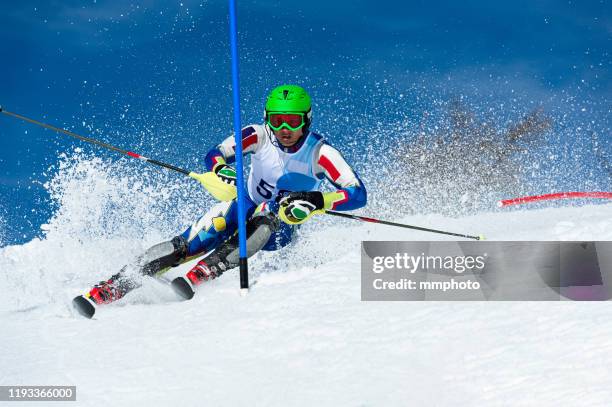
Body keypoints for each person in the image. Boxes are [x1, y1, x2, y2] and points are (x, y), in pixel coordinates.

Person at [73, 84, 367, 317]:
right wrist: (221, 169)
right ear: (268, 119)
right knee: (199, 236)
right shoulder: (258, 135)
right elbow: (216, 153)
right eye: (277, 121)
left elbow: (357, 194)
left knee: (270, 210)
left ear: (307, 120)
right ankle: (116, 283)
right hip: (245, 204)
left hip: (281, 226)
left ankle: (209, 268)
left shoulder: (320, 152)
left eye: (292, 121)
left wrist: (318, 200)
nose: (285, 130)